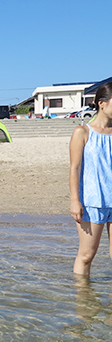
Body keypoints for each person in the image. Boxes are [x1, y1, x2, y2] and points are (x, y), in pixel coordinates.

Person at [69, 82, 112, 276]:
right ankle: (83, 302)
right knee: (86, 256)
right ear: (102, 103)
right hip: (92, 202)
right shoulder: (82, 132)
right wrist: (75, 201)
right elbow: (74, 168)